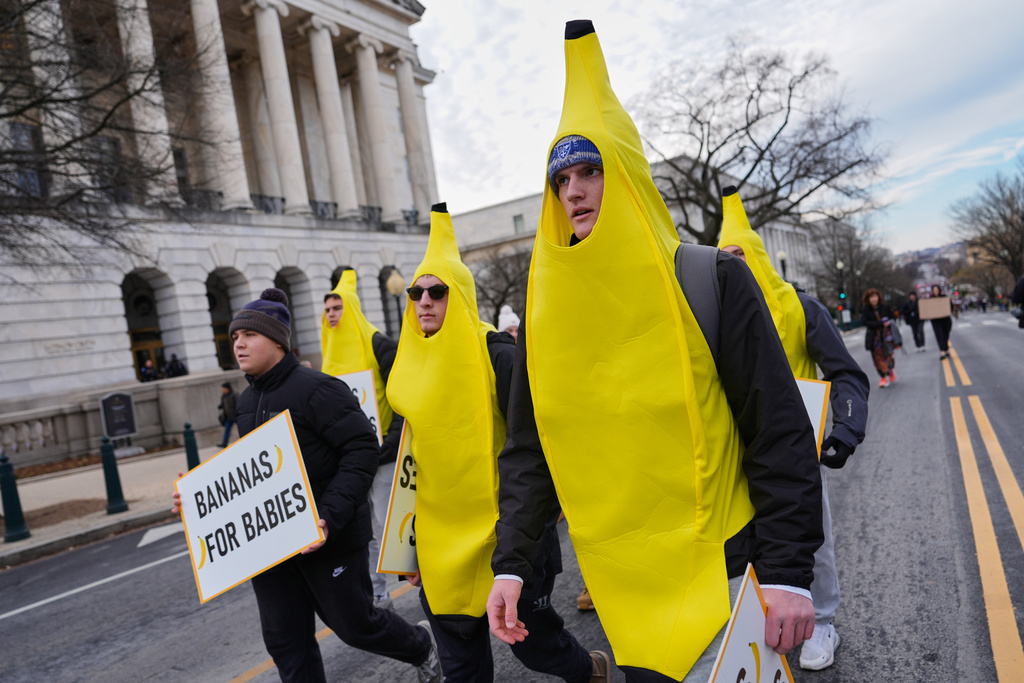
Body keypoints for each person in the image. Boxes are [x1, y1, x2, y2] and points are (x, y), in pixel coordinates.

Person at [486, 21, 822, 683]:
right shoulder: (545, 318)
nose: (574, 190)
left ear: (631, 179)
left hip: (722, 574)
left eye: (591, 171)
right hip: (624, 594)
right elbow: (531, 449)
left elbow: (778, 427)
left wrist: (789, 574)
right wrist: (513, 563)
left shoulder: (710, 278)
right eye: (561, 179)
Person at [386, 204, 607, 683]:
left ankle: (591, 672)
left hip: (509, 540)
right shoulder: (408, 369)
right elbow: (411, 464)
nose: (423, 301)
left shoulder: (501, 358)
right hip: (441, 549)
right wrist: (408, 551)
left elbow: (540, 448)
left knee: (537, 648)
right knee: (462, 667)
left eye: (437, 292)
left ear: (459, 296)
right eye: (415, 293)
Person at [174, 288, 440, 683]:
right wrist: (198, 500)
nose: (239, 344)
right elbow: (253, 471)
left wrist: (328, 517)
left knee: (355, 626)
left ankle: (421, 645)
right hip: (272, 547)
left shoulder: (318, 388)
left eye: (249, 335)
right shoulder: (247, 402)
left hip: (328, 536)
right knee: (284, 639)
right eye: (234, 337)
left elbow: (361, 450)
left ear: (278, 342)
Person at [719, 188, 870, 671]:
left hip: (795, 447)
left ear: (760, 257)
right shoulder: (712, 315)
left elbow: (846, 372)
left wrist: (845, 427)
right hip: (732, 454)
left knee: (812, 535)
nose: (734, 265)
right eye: (725, 258)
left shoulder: (800, 307)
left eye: (741, 255)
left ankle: (823, 619)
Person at [321, 270, 406, 610]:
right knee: (364, 529)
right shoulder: (328, 353)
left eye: (337, 307)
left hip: (383, 456)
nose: (331, 314)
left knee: (388, 526)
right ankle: (379, 596)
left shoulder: (378, 343)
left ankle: (420, 583)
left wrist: (393, 441)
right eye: (327, 308)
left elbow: (402, 394)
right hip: (350, 461)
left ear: (352, 309)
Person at [862, 289, 896, 387]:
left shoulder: (885, 307)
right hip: (874, 337)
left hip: (886, 335)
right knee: (877, 358)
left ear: (878, 297)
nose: (873, 299)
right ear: (868, 299)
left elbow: (892, 317)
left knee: (889, 355)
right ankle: (883, 377)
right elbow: (865, 322)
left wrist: (889, 322)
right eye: (871, 297)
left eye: (875, 296)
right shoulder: (866, 310)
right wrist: (880, 324)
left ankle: (890, 371)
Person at [927, 284, 954, 359]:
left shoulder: (944, 297)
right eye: (934, 290)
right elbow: (927, 310)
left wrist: (948, 312)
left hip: (945, 319)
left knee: (946, 334)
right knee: (939, 335)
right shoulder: (930, 299)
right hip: (936, 321)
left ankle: (946, 349)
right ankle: (942, 351)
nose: (936, 291)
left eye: (937, 290)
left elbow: (950, 307)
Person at [216, 382, 237, 448]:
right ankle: (224, 443)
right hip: (228, 417)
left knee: (242, 427)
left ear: (228, 388)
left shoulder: (234, 395)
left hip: (236, 416)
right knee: (227, 429)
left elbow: (239, 404)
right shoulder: (223, 396)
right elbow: (223, 405)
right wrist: (220, 406)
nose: (223, 390)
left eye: (224, 388)